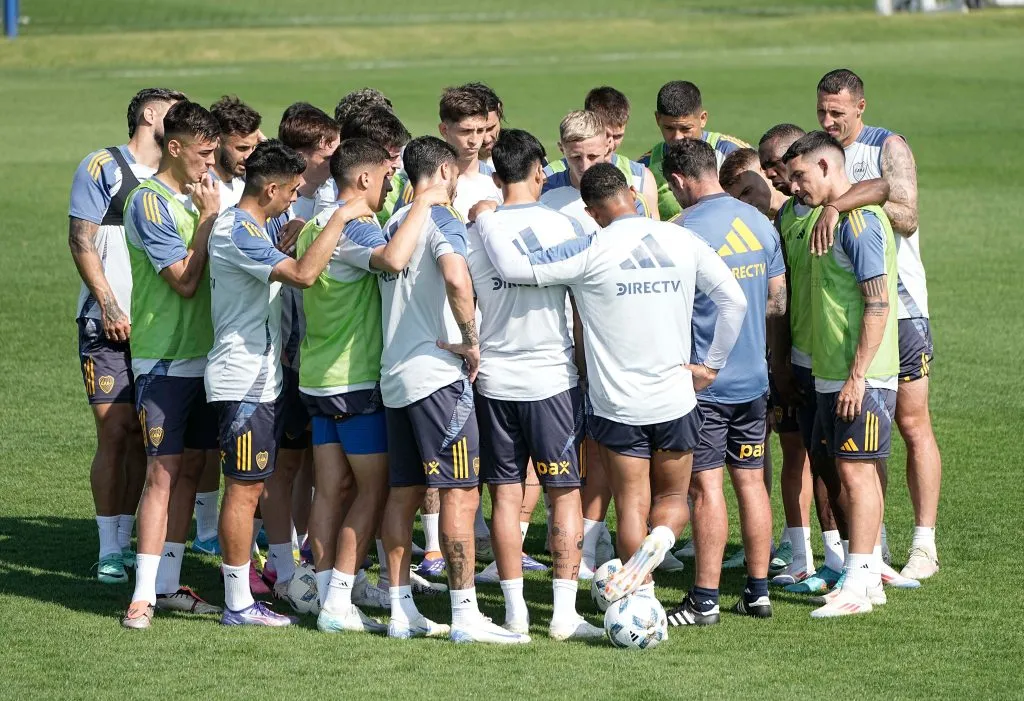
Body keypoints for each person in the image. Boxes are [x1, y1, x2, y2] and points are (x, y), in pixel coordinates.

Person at [475, 163, 746, 609]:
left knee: (631, 504)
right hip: (676, 396)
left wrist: (485, 216)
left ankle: (641, 598)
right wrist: (710, 367)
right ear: (632, 197)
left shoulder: (591, 250)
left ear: (592, 211)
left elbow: (512, 266)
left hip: (618, 405)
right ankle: (661, 541)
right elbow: (732, 301)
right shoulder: (682, 239)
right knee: (676, 496)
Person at [206, 139, 373, 626]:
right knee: (242, 491)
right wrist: (340, 217)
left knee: (255, 485)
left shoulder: (252, 229)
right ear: (272, 189)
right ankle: (237, 604)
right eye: (293, 189)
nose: (298, 195)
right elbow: (303, 274)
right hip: (242, 381)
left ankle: (270, 580)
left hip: (260, 379)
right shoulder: (237, 231)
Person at [375, 136, 527, 644]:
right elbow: (458, 278)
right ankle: (465, 616)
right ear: (444, 168)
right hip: (438, 377)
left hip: (395, 376)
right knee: (461, 495)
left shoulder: (396, 221)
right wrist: (472, 339)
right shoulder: (440, 219)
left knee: (403, 494)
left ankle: (401, 611)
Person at [297, 138, 449, 634]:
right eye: (386, 177)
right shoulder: (357, 227)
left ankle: (327, 596)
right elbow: (393, 260)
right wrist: (424, 202)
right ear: (363, 179)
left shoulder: (317, 225)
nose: (392, 185)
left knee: (331, 492)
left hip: (318, 375)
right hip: (356, 378)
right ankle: (340, 600)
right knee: (374, 489)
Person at [466, 129, 603, 641]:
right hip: (551, 379)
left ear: (496, 176)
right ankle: (564, 616)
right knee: (563, 494)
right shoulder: (562, 224)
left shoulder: (478, 231)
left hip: (495, 380)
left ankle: (515, 613)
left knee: (504, 497)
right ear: (540, 170)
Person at [815, 68, 941, 579]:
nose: (828, 121)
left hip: (903, 307)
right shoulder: (818, 152)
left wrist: (843, 201)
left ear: (860, 108)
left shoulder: (887, 146)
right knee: (869, 433)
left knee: (911, 423)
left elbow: (907, 215)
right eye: (821, 111)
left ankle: (924, 543)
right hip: (850, 312)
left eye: (837, 113)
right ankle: (876, 547)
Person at [538, 110, 671, 576]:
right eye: (576, 157)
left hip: (622, 334)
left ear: (611, 148)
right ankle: (593, 548)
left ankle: (631, 543)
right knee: (590, 448)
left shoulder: (633, 188)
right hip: (571, 336)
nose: (586, 165)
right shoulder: (549, 198)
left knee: (623, 446)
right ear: (562, 153)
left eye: (594, 155)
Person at [663, 139, 785, 624]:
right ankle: (758, 592)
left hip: (704, 385)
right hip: (754, 380)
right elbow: (777, 301)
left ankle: (705, 600)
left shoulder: (681, 231)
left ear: (677, 181)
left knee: (705, 489)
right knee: (752, 483)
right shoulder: (760, 221)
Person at [783, 131, 902, 618]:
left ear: (828, 168)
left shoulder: (858, 224)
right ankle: (866, 576)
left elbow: (877, 303)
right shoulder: (826, 217)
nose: (793, 186)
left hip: (862, 376)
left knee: (856, 475)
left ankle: (858, 584)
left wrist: (857, 376)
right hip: (831, 371)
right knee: (853, 474)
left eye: (800, 175)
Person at [69, 87, 185, 584]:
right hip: (106, 326)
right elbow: (81, 238)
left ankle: (138, 539)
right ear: (151, 115)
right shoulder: (102, 167)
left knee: (145, 439)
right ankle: (109, 548)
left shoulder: (180, 177)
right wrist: (110, 302)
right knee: (114, 432)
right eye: (178, 111)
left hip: (158, 331)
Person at [120, 100, 223, 629]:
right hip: (164, 361)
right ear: (175, 147)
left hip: (208, 359)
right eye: (204, 154)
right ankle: (140, 595)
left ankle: (168, 583)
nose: (211, 163)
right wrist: (209, 220)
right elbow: (183, 281)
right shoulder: (150, 202)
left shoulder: (196, 194)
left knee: (189, 474)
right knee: (162, 474)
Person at [191, 95, 263, 558]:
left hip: (235, 334)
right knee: (202, 449)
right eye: (242, 148)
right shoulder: (204, 193)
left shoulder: (241, 189)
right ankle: (204, 530)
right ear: (216, 145)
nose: (250, 157)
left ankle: (224, 533)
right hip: (205, 336)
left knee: (224, 449)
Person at [639, 80, 749, 220]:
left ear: (702, 119)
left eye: (686, 129)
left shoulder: (733, 154)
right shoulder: (645, 168)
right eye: (669, 128)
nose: (677, 137)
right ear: (657, 119)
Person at [544, 109, 659, 223]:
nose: (584, 167)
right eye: (576, 157)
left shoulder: (629, 197)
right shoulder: (543, 192)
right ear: (561, 149)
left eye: (592, 156)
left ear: (607, 146)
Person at [438, 85, 502, 221]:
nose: (475, 140)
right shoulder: (426, 183)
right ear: (444, 130)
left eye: (480, 130)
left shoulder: (498, 180)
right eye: (465, 131)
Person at [585, 85, 630, 153]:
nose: (611, 145)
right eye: (606, 135)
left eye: (618, 136)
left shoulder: (631, 164)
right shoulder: (564, 164)